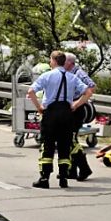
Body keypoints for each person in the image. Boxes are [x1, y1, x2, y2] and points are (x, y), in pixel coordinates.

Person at [27, 51, 91, 189]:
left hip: (50, 113)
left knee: (47, 146)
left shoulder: (47, 76)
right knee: (64, 146)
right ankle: (63, 178)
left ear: (54, 61)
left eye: (51, 60)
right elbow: (88, 92)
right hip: (66, 114)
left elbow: (31, 91)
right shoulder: (72, 77)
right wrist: (76, 104)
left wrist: (39, 107)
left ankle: (44, 178)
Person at [63, 52, 96, 181]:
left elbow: (92, 86)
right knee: (67, 140)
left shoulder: (78, 73)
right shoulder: (65, 73)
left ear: (70, 63)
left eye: (64, 61)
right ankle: (71, 170)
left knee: (71, 140)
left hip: (76, 109)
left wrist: (78, 102)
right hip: (68, 109)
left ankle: (84, 168)